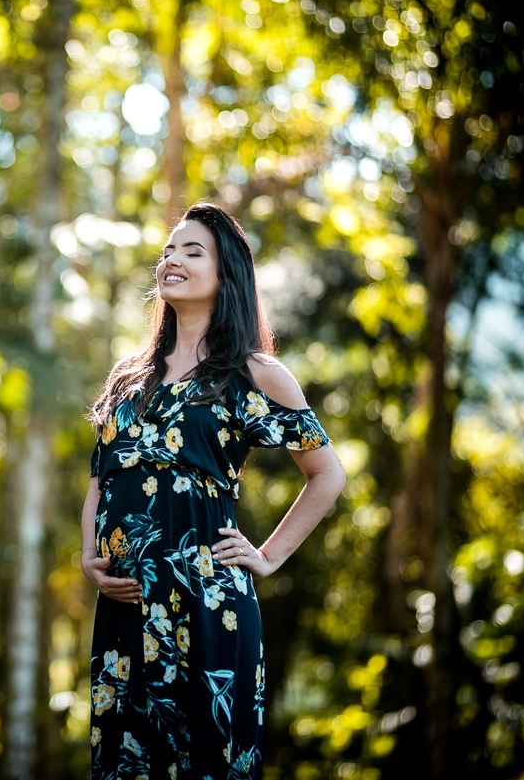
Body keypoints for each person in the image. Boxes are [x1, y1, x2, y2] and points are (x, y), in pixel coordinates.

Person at [80, 201, 346, 779]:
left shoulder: (253, 374)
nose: (172, 259)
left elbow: (328, 474)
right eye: (168, 250)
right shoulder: (129, 377)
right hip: (126, 610)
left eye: (192, 251)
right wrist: (88, 557)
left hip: (209, 608)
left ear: (227, 275)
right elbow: (102, 478)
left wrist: (269, 555)